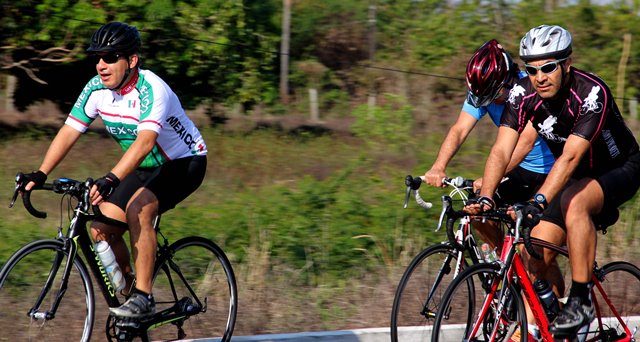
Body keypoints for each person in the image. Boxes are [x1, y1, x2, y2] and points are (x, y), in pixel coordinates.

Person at [21, 22, 208, 318]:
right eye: (97, 58)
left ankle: (144, 297)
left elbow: (146, 142)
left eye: (110, 57)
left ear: (131, 60)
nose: (101, 65)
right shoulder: (96, 89)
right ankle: (129, 300)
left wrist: (111, 178)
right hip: (145, 166)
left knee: (139, 210)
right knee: (100, 229)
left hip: (184, 162)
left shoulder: (152, 89)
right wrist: (41, 173)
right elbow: (69, 131)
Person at [468, 24, 640, 337]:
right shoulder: (522, 95)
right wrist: (486, 197)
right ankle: (555, 321)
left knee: (575, 203)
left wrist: (538, 201)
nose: (540, 77)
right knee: (534, 254)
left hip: (619, 168)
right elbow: (501, 149)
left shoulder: (590, 93)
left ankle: (581, 299)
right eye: (531, 70)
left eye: (548, 68)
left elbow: (570, 157)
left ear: (566, 65)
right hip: (577, 175)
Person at [424, 39, 555, 251]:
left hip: (550, 171)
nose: (486, 102)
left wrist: (490, 179)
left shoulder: (529, 90)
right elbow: (459, 130)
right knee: (476, 211)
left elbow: (524, 145)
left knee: (534, 255)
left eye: (492, 96)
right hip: (518, 169)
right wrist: (438, 166)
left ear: (508, 81)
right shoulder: (483, 90)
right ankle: (503, 264)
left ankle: (527, 268)